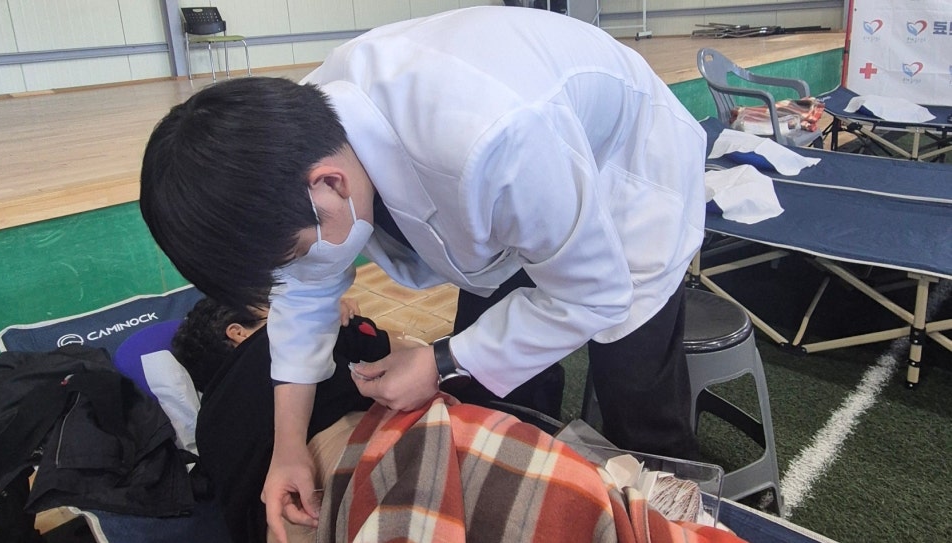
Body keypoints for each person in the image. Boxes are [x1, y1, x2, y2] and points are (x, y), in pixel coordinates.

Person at [140, 6, 706, 542]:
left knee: (635, 389)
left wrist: (441, 361)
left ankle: (689, 520)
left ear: (330, 184)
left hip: (624, 169)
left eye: (293, 257)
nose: (299, 278)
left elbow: (594, 293)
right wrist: (287, 449)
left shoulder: (493, 139)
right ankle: (544, 459)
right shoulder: (289, 150)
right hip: (516, 178)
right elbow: (303, 299)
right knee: (494, 391)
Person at [170, 296, 393, 543]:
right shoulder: (283, 338)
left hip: (278, 530)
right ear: (238, 332)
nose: (288, 314)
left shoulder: (205, 429)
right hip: (361, 475)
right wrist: (332, 315)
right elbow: (378, 343)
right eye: (276, 311)